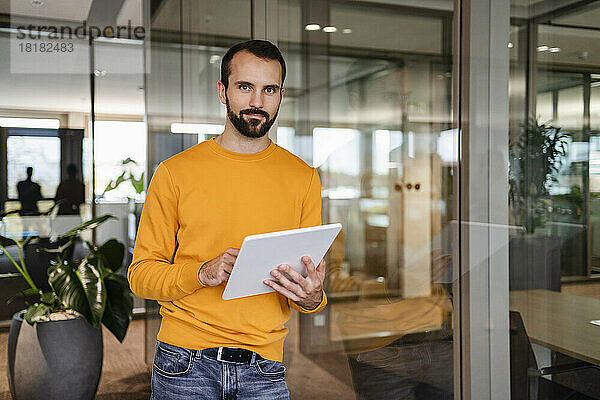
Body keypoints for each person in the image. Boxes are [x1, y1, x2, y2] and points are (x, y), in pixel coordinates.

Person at [128, 40, 327, 400]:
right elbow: (140, 277)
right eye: (245, 87)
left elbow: (306, 293)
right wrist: (202, 273)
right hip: (183, 363)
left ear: (281, 95)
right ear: (223, 91)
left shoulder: (304, 178)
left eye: (269, 90)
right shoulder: (175, 173)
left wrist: (313, 297)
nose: (257, 102)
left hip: (264, 366)